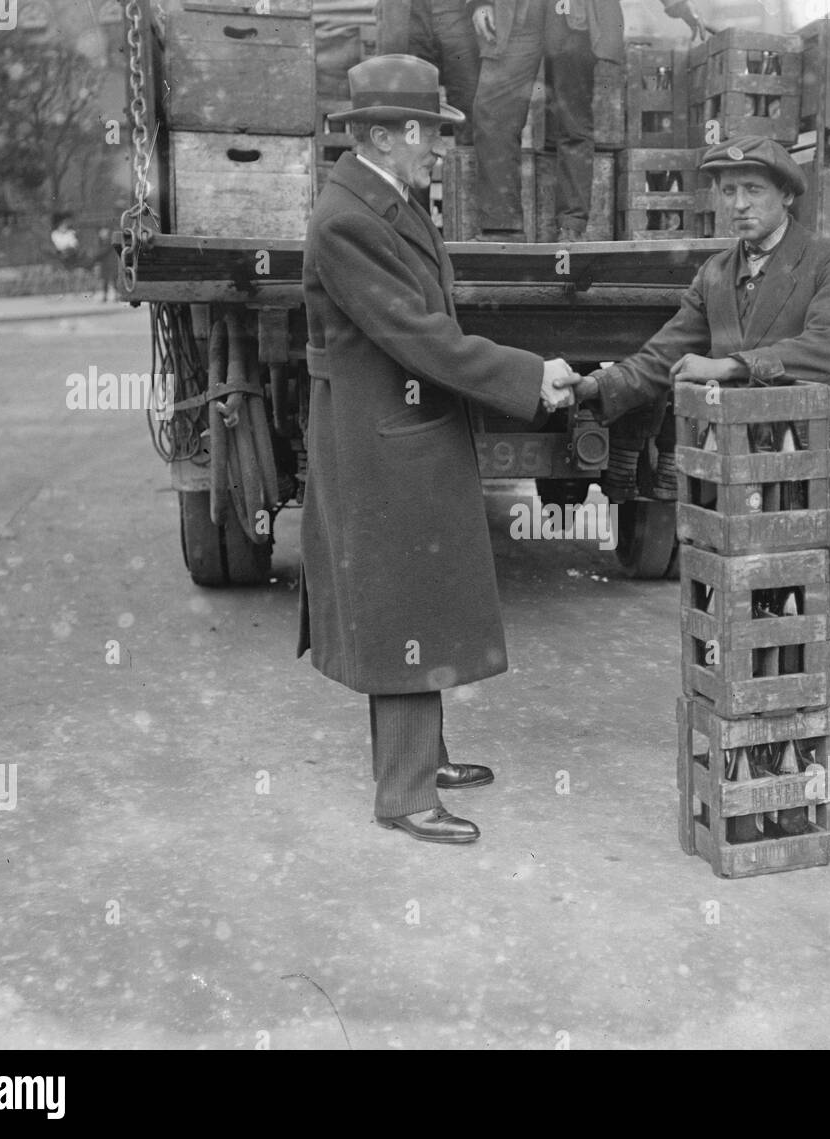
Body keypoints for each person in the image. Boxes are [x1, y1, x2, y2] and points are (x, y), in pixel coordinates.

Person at [562, 137, 830, 827]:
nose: (738, 204)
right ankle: (778, 762)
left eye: (753, 190)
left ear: (786, 196)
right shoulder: (716, 275)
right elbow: (663, 356)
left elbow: (826, 349)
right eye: (728, 191)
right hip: (750, 484)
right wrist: (592, 386)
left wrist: (734, 366)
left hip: (824, 476)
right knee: (764, 621)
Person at [298, 54, 579, 845]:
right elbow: (422, 339)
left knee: (421, 595)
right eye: (430, 134)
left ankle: (430, 755)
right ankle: (406, 793)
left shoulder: (384, 200)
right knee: (401, 607)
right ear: (387, 136)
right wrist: (529, 377)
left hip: (402, 431)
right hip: (383, 440)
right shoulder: (348, 219)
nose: (440, 149)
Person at [469, 0, 703, 242]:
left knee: (573, 122)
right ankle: (502, 227)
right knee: (492, 113)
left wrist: (679, 5)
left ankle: (571, 226)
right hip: (516, 10)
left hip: (575, 12)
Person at [402, 0, 481, 144]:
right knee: (412, 99)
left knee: (467, 97)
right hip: (409, 12)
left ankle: (467, 161)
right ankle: (413, 160)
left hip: (456, 11)